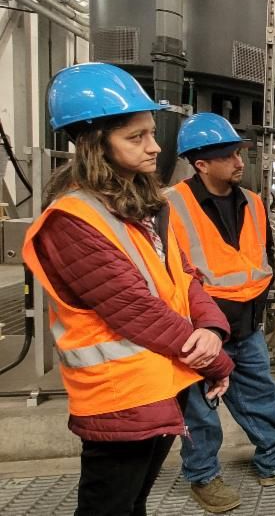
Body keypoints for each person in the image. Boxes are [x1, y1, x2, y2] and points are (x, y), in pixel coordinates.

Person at [22, 63, 235, 516]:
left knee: (133, 503)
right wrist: (215, 360)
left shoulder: (144, 205)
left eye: (151, 133)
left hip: (163, 383)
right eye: (136, 137)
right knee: (108, 507)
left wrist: (213, 328)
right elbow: (133, 309)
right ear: (94, 143)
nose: (154, 147)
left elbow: (183, 275)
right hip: (119, 397)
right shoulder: (72, 221)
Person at [166, 113, 275, 513]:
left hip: (247, 325)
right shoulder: (170, 206)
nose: (240, 162)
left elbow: (262, 260)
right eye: (228, 156)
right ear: (201, 163)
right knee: (201, 410)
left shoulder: (254, 203)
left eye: (239, 153)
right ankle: (203, 477)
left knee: (260, 395)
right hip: (199, 330)